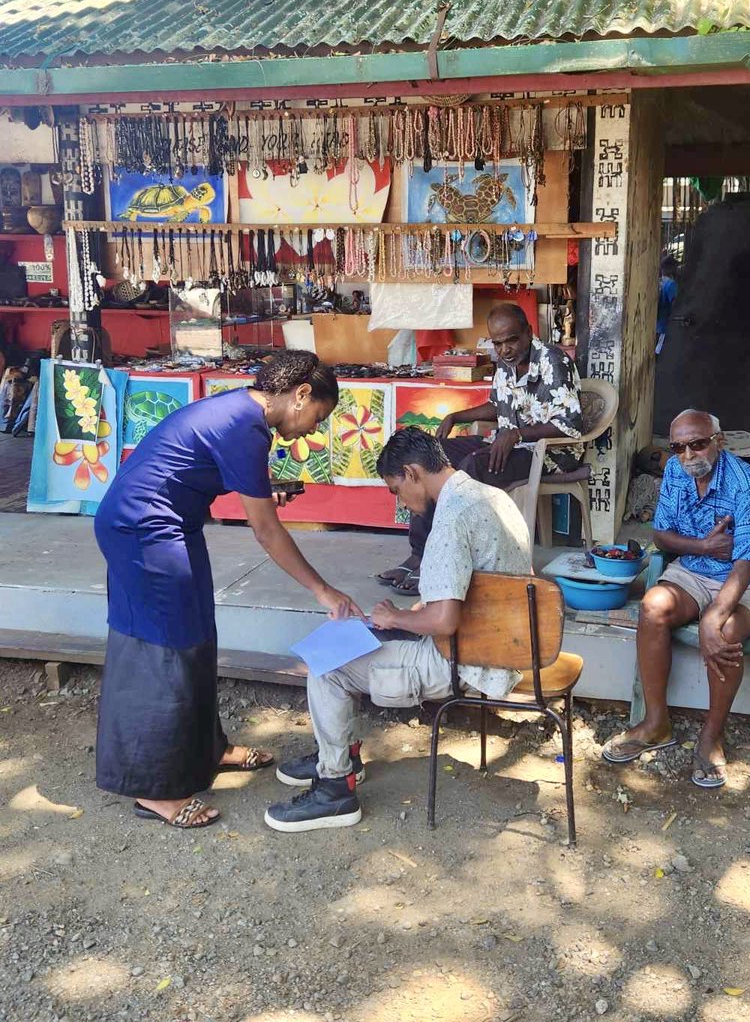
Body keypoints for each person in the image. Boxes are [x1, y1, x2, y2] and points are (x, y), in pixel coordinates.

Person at [94, 351, 363, 830]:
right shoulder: (246, 426)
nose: (312, 430)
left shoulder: (243, 413)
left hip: (169, 525)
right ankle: (156, 790)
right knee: (165, 649)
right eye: (317, 418)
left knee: (197, 634)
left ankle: (208, 751)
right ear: (301, 394)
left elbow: (205, 472)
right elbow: (266, 531)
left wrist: (263, 486)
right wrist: (322, 589)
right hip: (142, 530)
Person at [266, 426, 532, 833]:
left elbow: (444, 622)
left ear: (411, 473)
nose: (401, 503)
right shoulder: (489, 496)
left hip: (463, 660)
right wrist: (408, 615)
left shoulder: (450, 518)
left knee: (328, 665)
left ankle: (337, 786)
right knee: (364, 637)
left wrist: (395, 618)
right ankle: (341, 753)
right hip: (500, 645)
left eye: (395, 490)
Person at [602, 409, 750, 789]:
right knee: (653, 606)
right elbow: (662, 536)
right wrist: (703, 545)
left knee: (724, 630)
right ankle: (656, 723)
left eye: (698, 443)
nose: (689, 454)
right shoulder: (675, 471)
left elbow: (746, 563)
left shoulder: (746, 484)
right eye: (678, 447)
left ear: (718, 441)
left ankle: (712, 736)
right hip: (696, 569)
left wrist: (711, 619)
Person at [378, 303, 582, 595]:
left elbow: (570, 423)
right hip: (507, 443)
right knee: (431, 459)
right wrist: (458, 416)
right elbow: (500, 407)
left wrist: (517, 434)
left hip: (547, 454)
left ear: (528, 332)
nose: (505, 349)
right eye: (498, 343)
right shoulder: (506, 363)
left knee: (470, 468)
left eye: (511, 340)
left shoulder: (553, 360)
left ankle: (440, 560)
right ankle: (420, 552)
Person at [656, 255, 679, 354]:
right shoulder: (671, 284)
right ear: (671, 268)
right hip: (665, 328)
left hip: (657, 326)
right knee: (660, 354)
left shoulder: (659, 282)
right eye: (675, 267)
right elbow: (676, 304)